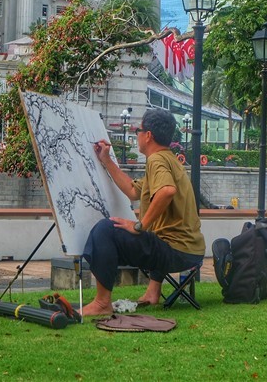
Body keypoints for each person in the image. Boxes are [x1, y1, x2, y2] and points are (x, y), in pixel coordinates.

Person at [82, 108, 206, 316]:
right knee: (158, 233)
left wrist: (139, 225)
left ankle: (102, 303)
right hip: (192, 251)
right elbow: (132, 191)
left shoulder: (156, 161)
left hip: (176, 252)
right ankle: (152, 291)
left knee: (104, 229)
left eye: (138, 130)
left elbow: (167, 191)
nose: (136, 134)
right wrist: (106, 160)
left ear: (148, 135)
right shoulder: (169, 159)